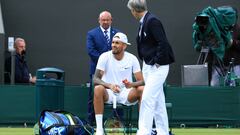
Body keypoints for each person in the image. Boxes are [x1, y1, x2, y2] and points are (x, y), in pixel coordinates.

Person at [127, 0, 175, 135]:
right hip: (148, 66)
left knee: (147, 98)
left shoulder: (152, 21)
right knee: (158, 102)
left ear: (134, 10)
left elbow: (162, 42)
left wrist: (157, 62)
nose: (132, 14)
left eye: (131, 11)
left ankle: (143, 132)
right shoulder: (144, 21)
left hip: (157, 67)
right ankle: (163, 132)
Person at [93, 32, 144, 135]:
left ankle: (142, 128)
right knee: (98, 88)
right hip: (109, 93)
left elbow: (142, 81)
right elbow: (95, 79)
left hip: (126, 93)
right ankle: (99, 130)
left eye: (117, 43)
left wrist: (131, 85)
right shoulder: (104, 57)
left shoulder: (132, 58)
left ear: (124, 46)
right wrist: (110, 86)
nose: (113, 45)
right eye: (113, 42)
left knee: (142, 89)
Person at [86, 11, 120, 124]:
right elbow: (91, 51)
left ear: (111, 20)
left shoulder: (118, 34)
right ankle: (91, 124)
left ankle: (118, 123)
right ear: (99, 20)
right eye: (103, 20)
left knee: (117, 94)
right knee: (93, 96)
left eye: (107, 19)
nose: (105, 22)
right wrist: (104, 63)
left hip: (115, 71)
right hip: (97, 71)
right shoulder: (92, 34)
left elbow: (121, 50)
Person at [211, 8, 240, 86]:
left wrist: (232, 43)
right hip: (218, 64)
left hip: (235, 65)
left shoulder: (238, 29)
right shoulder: (217, 28)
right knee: (214, 86)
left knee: (234, 88)